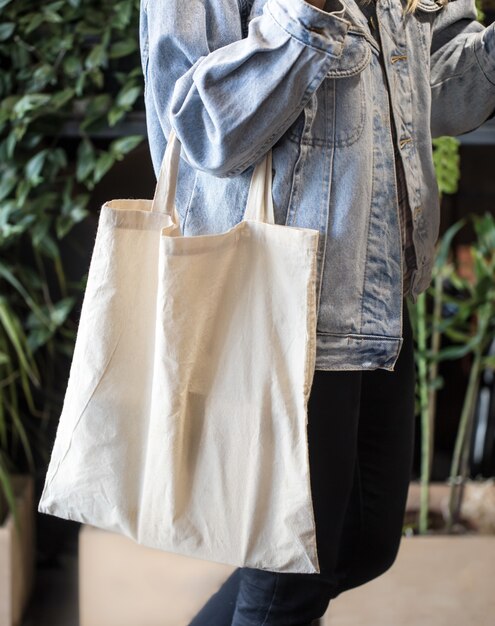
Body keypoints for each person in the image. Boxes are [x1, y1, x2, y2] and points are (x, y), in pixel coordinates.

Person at [139, 0, 495, 623]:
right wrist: (310, 15)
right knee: (291, 581)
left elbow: (436, 87)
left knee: (361, 547)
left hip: (378, 293)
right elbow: (197, 130)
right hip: (278, 303)